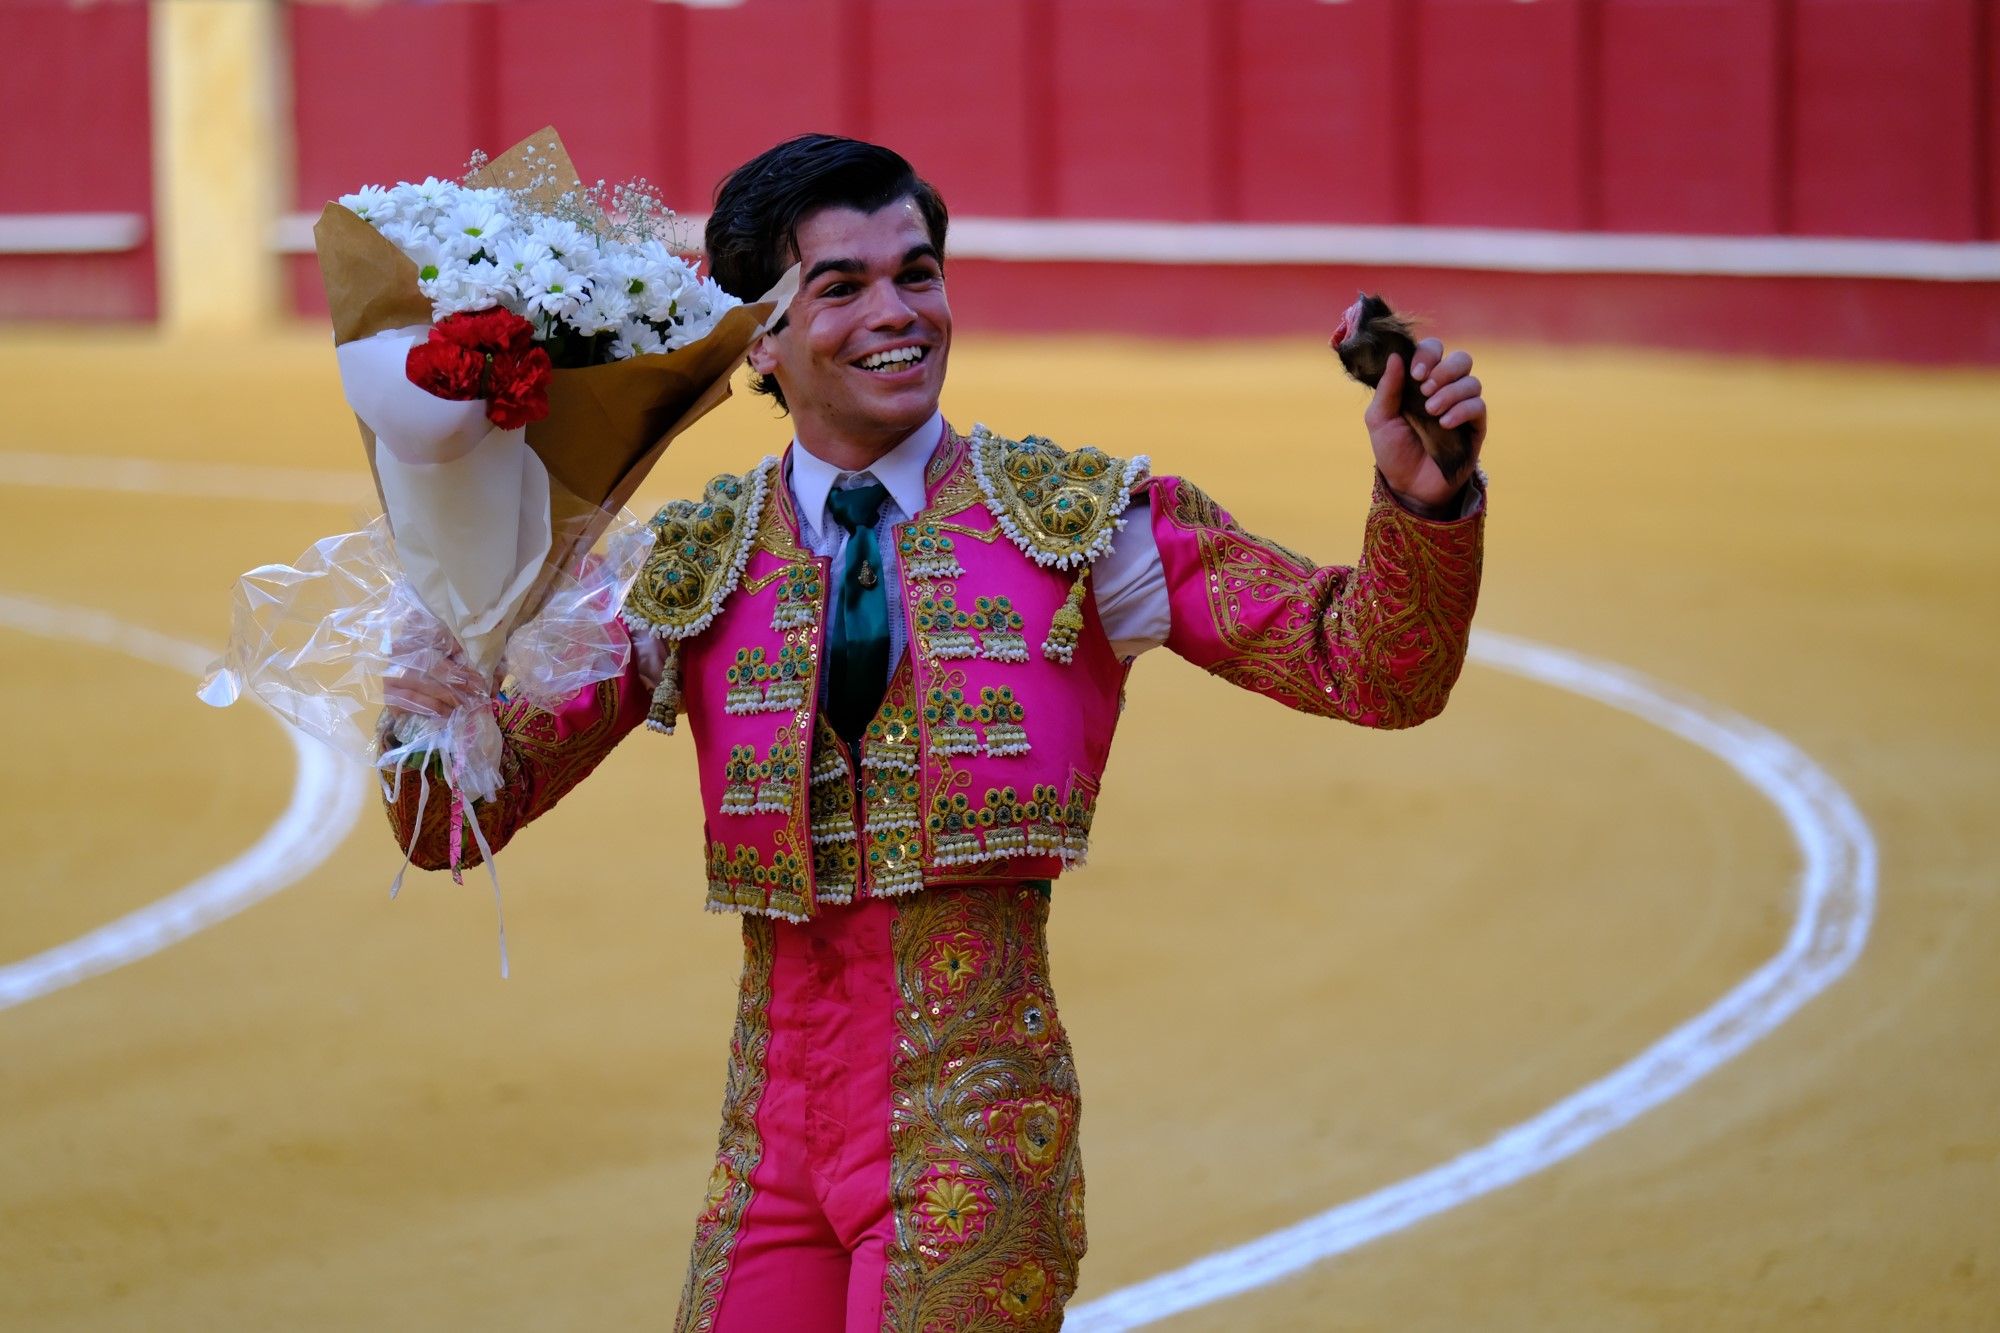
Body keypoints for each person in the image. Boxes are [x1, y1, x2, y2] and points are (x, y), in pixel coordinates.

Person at [383, 134, 1487, 1332]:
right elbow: (452, 821)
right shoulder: (688, 568)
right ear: (757, 338)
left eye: (917, 273)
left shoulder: (1076, 527)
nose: (895, 313)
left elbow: (1371, 666)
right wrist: (438, 602)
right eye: (841, 286)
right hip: (769, 1154)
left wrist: (1425, 502)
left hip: (978, 1134)